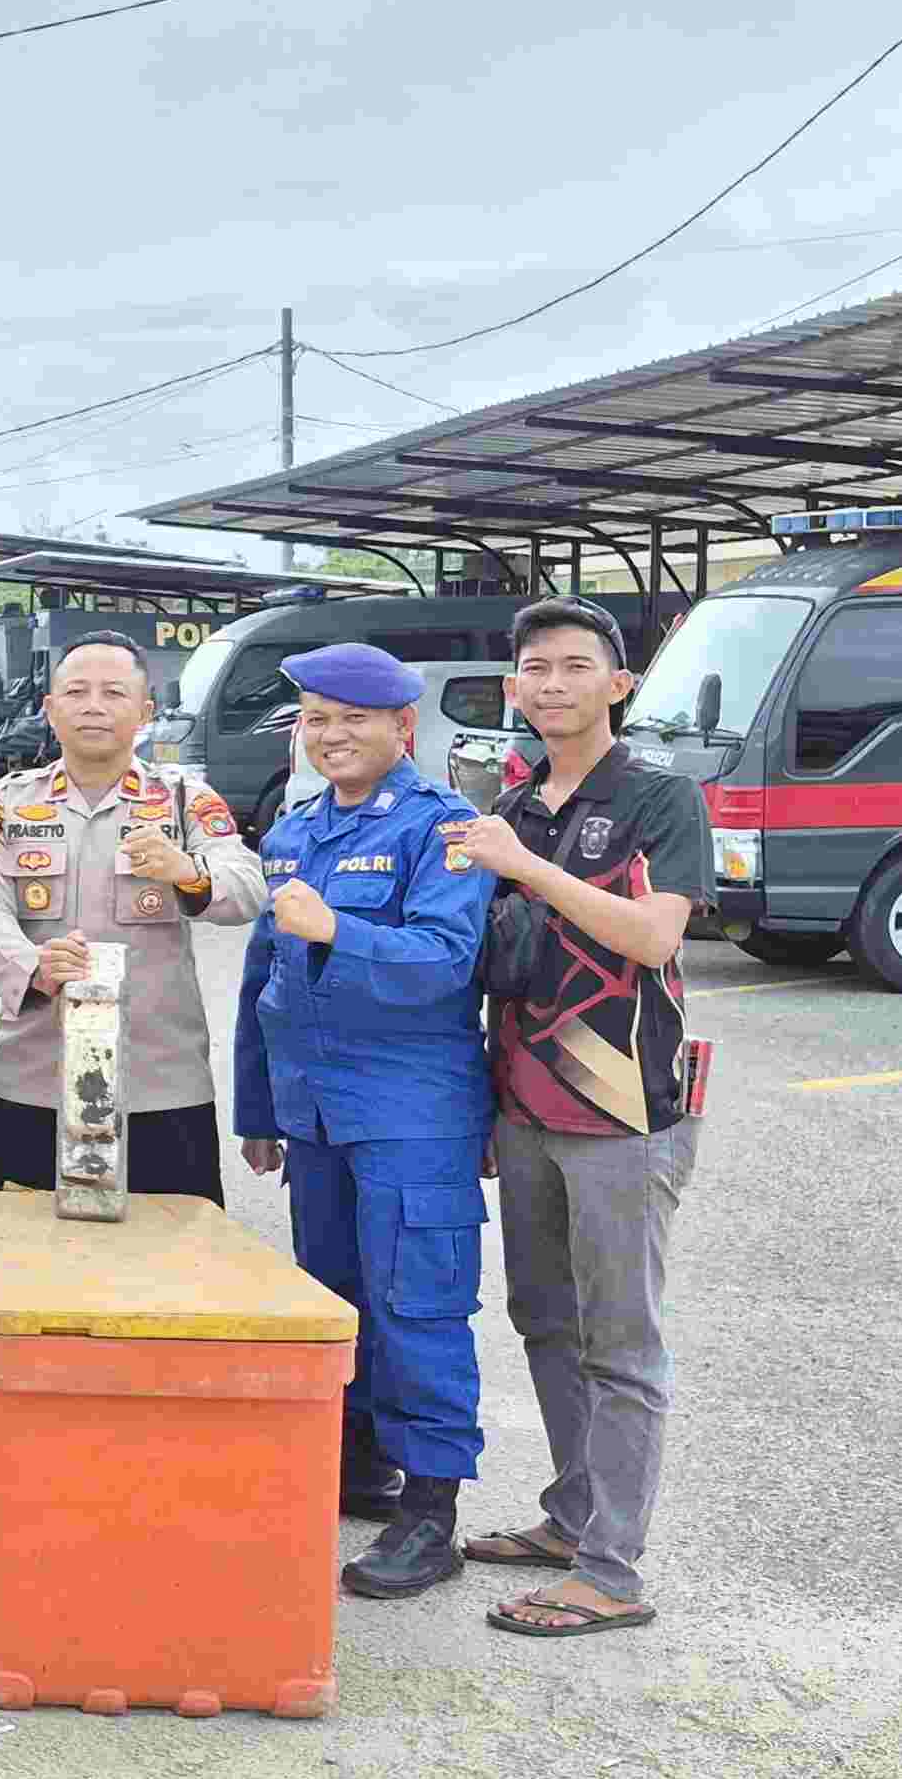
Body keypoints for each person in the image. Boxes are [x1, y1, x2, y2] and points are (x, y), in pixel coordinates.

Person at [446, 598, 710, 1640]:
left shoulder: (656, 797)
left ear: (617, 684)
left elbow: (650, 937)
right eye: (532, 668)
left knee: (621, 1341)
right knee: (544, 1321)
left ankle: (610, 1570)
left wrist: (527, 866)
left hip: (624, 1107)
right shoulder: (515, 798)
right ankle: (571, 1517)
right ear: (512, 688)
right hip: (524, 1104)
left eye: (572, 666)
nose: (550, 684)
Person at [234, 641, 497, 1599]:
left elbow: (442, 958)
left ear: (401, 727)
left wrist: (340, 929)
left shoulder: (448, 828)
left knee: (416, 1302)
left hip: (407, 1113)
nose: (330, 734)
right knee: (332, 1292)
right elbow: (263, 980)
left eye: (351, 717)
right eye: (315, 717)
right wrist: (259, 1107)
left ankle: (432, 1513)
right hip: (314, 1117)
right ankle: (356, 1469)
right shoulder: (296, 829)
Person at [0, 631, 264, 1203]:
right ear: (50, 709)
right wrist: (34, 967)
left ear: (145, 712)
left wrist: (188, 871)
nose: (93, 706)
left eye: (113, 693)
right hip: (35, 1079)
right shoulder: (6, 802)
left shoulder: (183, 800)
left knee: (173, 1264)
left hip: (158, 1084)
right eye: (76, 691)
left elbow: (247, 887)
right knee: (25, 1261)